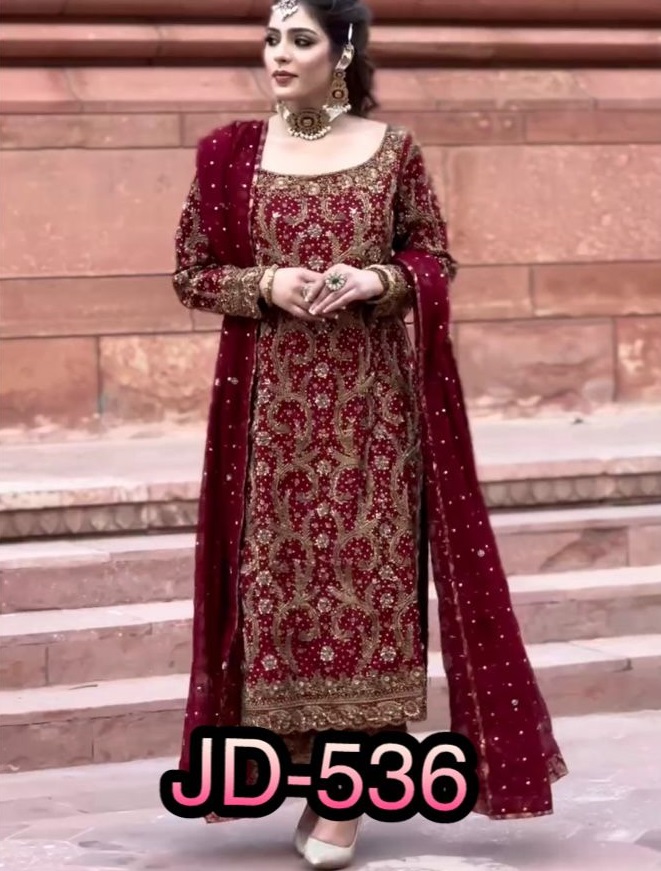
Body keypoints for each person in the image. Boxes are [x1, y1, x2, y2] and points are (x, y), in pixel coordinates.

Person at [171, 0, 568, 867]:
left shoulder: (392, 151)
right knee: (278, 592)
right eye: (271, 37)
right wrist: (265, 284)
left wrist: (377, 279)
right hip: (269, 422)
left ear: (342, 51)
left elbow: (434, 258)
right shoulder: (229, 154)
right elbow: (192, 272)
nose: (278, 53)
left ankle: (344, 798)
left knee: (368, 591)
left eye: (299, 38)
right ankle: (309, 774)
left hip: (373, 418)